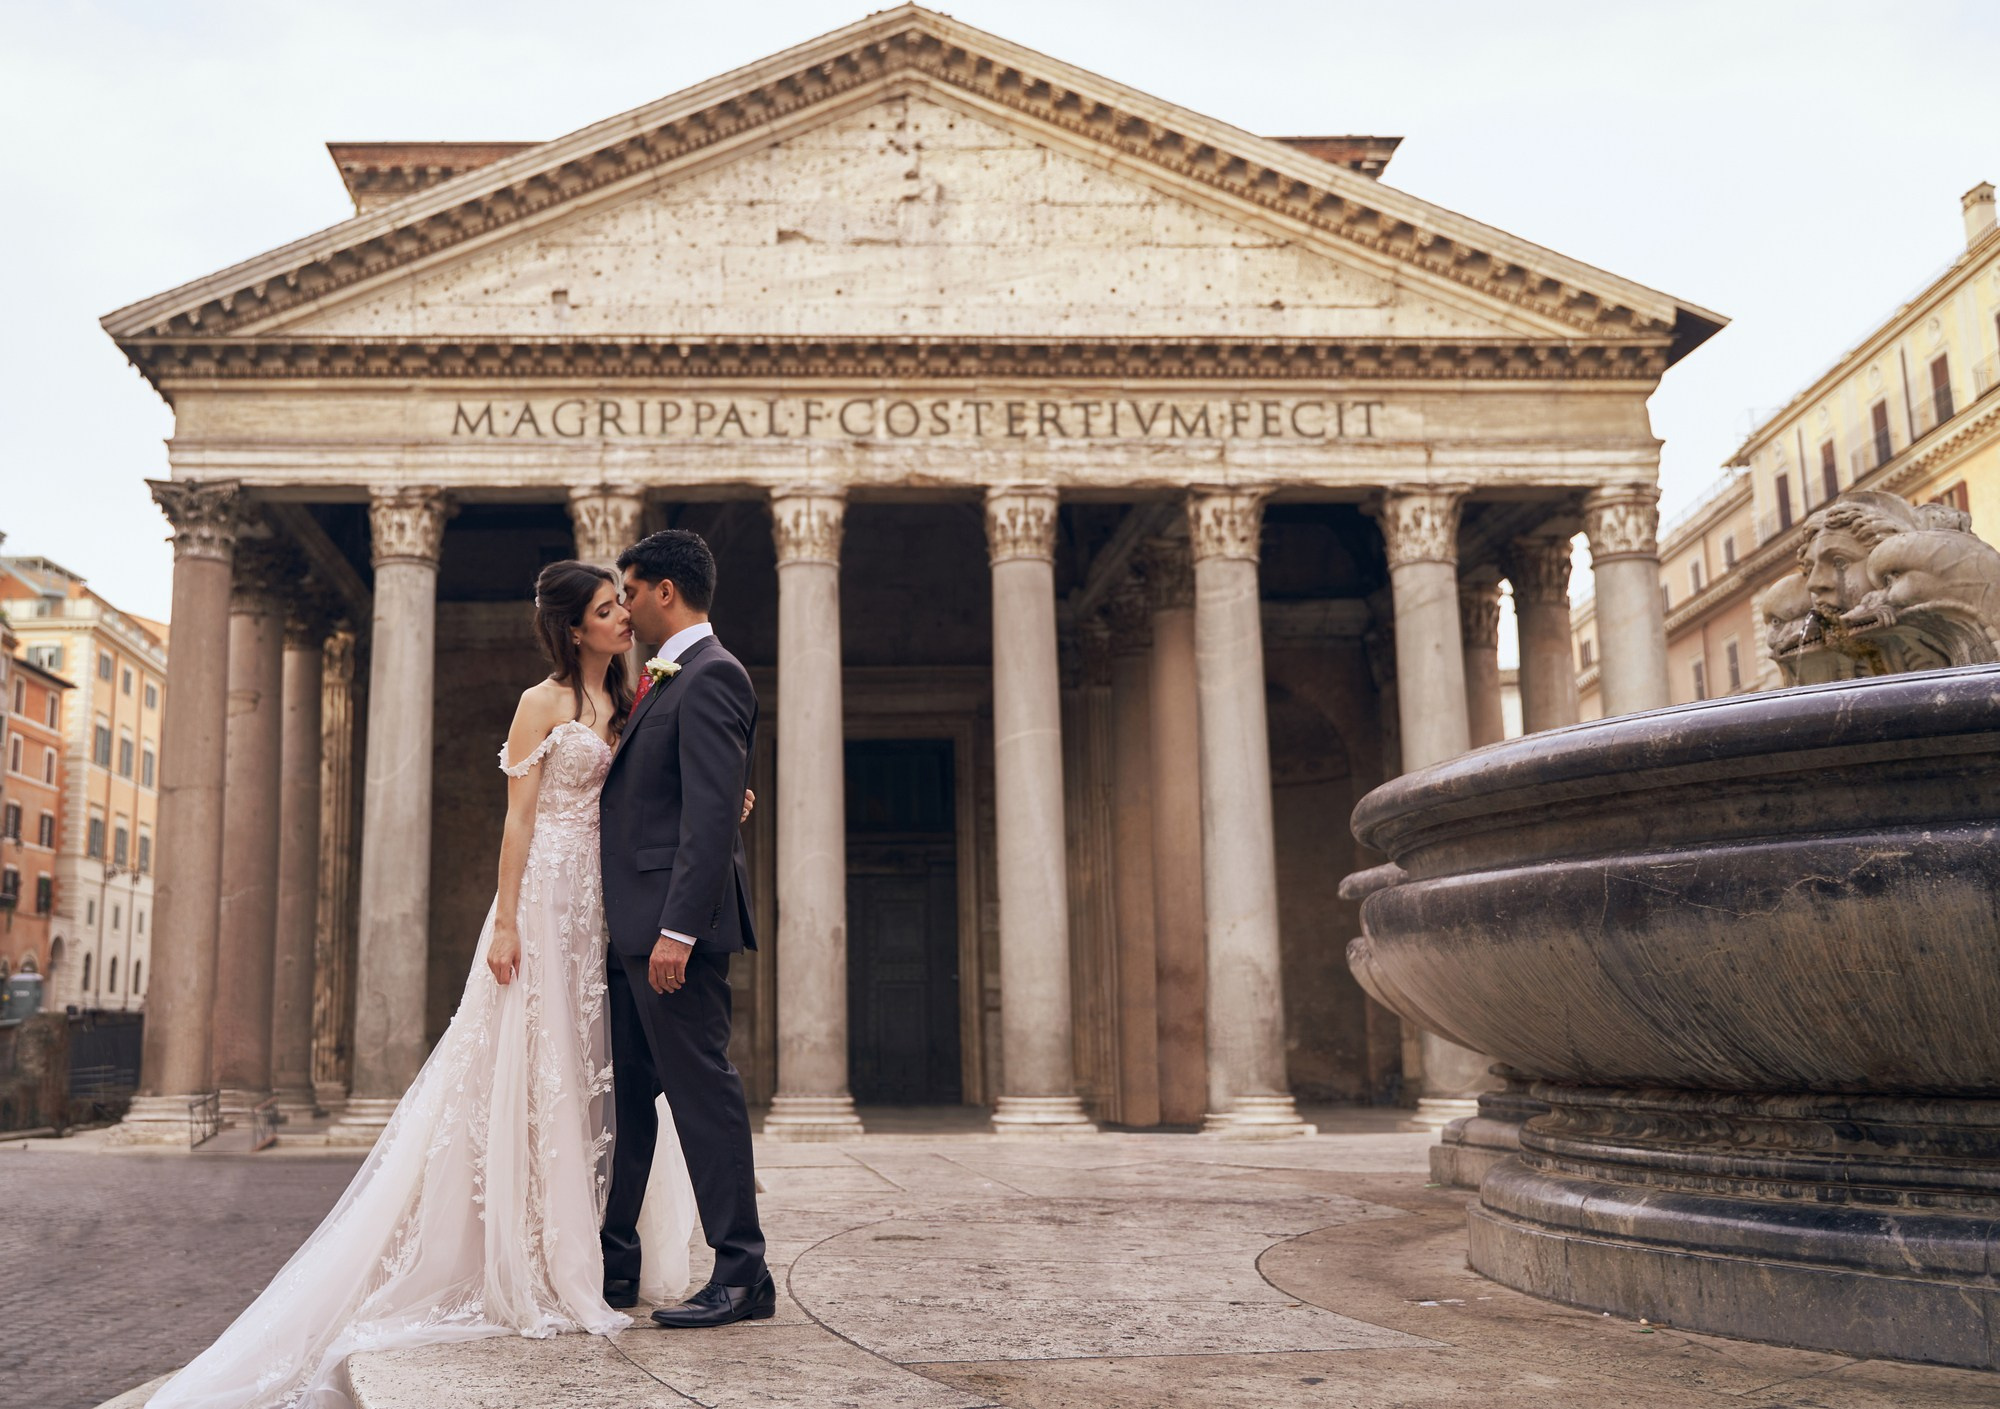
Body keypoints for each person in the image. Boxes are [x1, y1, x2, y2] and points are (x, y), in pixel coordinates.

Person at [147, 560, 704, 1409]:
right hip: (547, 898)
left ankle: (587, 1246)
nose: (624, 616)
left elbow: (652, 795)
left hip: (606, 904)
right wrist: (509, 920)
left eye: (621, 603)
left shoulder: (633, 699)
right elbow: (518, 820)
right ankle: (527, 1253)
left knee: (599, 1076)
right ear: (574, 627)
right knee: (533, 1068)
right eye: (605, 609)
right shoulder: (543, 703)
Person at [598, 528, 773, 1328]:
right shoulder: (671, 678)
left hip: (671, 936)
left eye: (630, 591)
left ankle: (742, 1274)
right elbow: (695, 797)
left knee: (704, 1099)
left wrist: (678, 930)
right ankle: (614, 1266)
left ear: (666, 589)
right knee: (631, 1105)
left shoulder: (710, 675)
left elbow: (709, 820)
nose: (626, 608)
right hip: (635, 929)